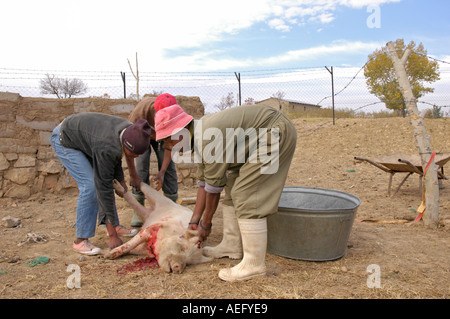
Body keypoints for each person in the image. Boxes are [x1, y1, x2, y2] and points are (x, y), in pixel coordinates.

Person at [154, 103, 297, 281]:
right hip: (258, 138)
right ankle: (231, 244)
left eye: (168, 141)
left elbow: (213, 189)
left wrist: (206, 224)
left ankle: (254, 264)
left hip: (274, 131)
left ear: (180, 132)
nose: (169, 147)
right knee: (233, 185)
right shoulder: (199, 136)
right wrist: (194, 221)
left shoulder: (206, 139)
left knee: (247, 193)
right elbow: (203, 183)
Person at [50, 112, 152, 255]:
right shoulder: (106, 145)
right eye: (134, 154)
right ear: (126, 144)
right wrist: (112, 237)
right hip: (65, 139)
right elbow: (102, 187)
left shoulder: (131, 131)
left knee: (106, 181)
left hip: (87, 138)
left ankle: (114, 225)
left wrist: (121, 180)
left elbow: (116, 158)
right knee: (90, 185)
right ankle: (80, 240)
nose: (137, 157)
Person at [127, 93, 179, 227]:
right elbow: (131, 149)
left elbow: (168, 147)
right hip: (142, 134)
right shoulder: (139, 115)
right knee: (141, 167)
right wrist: (133, 174)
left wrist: (162, 172)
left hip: (161, 137)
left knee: (169, 169)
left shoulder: (175, 116)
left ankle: (172, 208)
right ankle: (138, 210)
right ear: (156, 111)